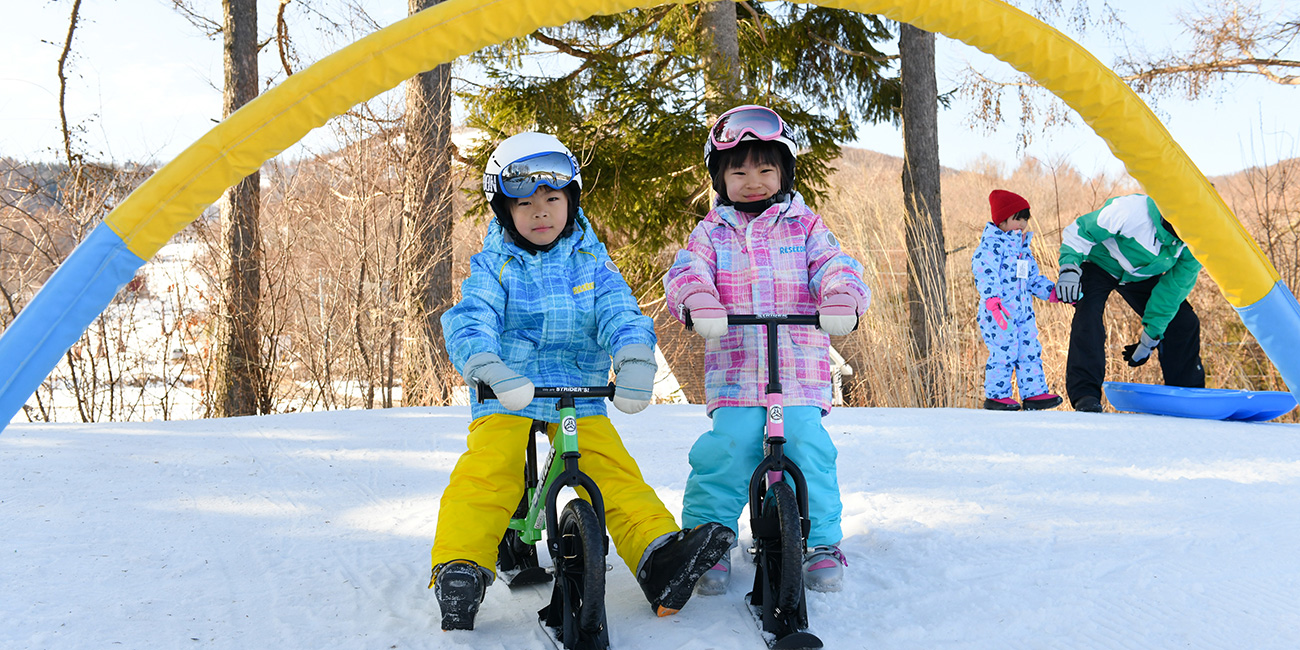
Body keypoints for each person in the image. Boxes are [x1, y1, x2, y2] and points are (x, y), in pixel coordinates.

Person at [431, 131, 734, 631]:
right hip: (510, 388)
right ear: (505, 211)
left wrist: (635, 357)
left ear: (571, 201)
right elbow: (472, 317)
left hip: (578, 385)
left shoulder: (591, 262)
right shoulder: (492, 265)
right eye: (525, 204)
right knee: (491, 466)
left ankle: (659, 557)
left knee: (611, 469)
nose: (541, 213)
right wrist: (487, 364)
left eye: (552, 199)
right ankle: (460, 565)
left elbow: (618, 310)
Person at [662, 105, 870, 595]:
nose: (752, 180)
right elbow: (687, 270)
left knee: (808, 446)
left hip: (799, 370)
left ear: (784, 172)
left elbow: (836, 266)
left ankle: (819, 541)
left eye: (764, 168)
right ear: (720, 177)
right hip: (736, 372)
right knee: (728, 448)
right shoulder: (712, 231)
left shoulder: (807, 226)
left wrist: (841, 296)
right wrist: (698, 300)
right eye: (738, 170)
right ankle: (709, 539)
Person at [1055, 193, 1205, 412]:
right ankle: (1085, 395)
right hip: (1100, 263)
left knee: (1184, 321)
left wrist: (1150, 336)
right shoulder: (1131, 210)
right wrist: (1070, 267)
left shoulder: (1196, 242)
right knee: (1088, 315)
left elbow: (1172, 291)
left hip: (1139, 276)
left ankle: (1188, 395)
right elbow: (1081, 229)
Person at [972, 190, 1064, 411]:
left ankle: (1033, 393)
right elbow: (985, 273)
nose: (1022, 224)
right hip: (999, 312)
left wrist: (1054, 293)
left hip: (1023, 312)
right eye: (1017, 218)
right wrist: (992, 301)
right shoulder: (990, 247)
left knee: (1029, 350)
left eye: (1025, 219)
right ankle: (996, 395)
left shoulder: (1023, 249)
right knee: (1004, 351)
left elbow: (1032, 279)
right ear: (1001, 220)